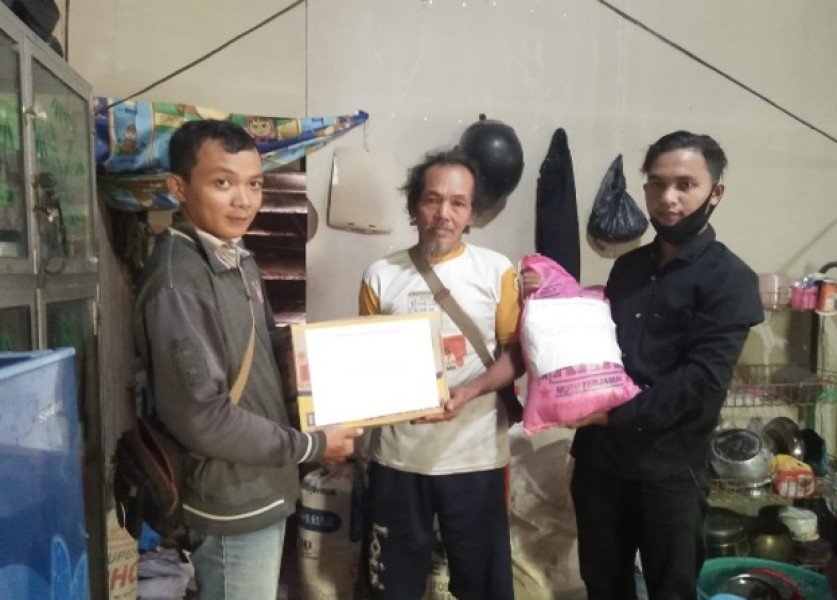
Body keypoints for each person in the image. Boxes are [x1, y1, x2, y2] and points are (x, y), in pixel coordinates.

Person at [525, 131, 764, 599]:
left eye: (685, 185)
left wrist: (614, 415)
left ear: (715, 191)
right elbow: (598, 346)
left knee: (671, 589)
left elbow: (702, 380)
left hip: (670, 467)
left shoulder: (731, 279)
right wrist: (548, 293)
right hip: (601, 462)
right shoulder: (629, 267)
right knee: (603, 585)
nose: (667, 198)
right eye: (657, 183)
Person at [133, 119, 361, 600]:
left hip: (261, 484)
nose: (244, 200)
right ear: (178, 187)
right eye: (223, 183)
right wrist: (312, 446)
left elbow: (267, 349)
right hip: (230, 499)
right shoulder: (180, 281)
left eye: (254, 184)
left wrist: (340, 366)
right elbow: (203, 417)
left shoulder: (235, 257)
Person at [358, 147, 521, 600]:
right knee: (391, 588)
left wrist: (469, 392)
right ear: (414, 206)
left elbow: (517, 356)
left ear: (470, 214)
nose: (443, 214)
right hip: (398, 459)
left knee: (483, 586)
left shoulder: (497, 271)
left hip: (475, 457)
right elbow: (364, 361)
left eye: (458, 203)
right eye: (432, 199)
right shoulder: (380, 275)